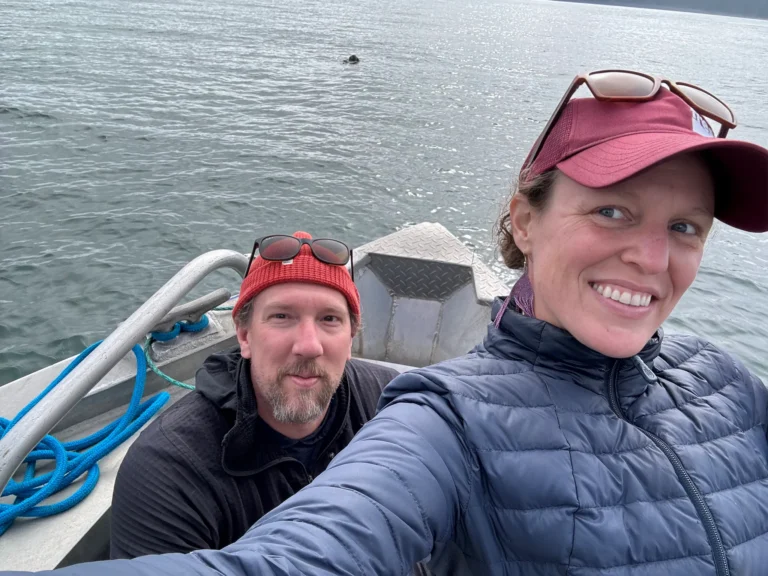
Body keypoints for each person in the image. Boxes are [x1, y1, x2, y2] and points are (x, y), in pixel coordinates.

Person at [7, 70, 768, 575]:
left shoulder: (731, 383)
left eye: (687, 227)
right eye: (612, 210)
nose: (649, 256)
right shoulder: (443, 420)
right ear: (524, 222)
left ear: (357, 334)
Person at [109, 231, 400, 558]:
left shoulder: (391, 405)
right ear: (244, 335)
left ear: (350, 340)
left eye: (329, 319)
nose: (308, 346)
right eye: (282, 317)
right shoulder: (169, 471)